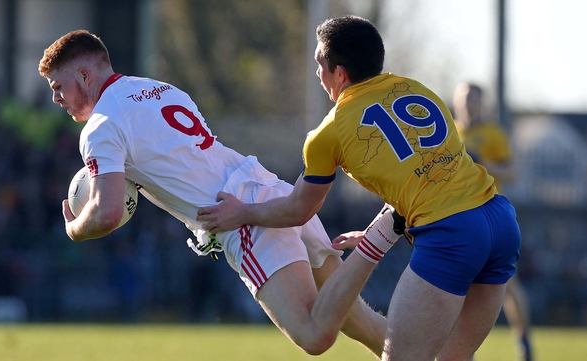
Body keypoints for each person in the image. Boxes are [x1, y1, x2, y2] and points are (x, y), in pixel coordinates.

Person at [38, 30, 387, 357]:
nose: (56, 98)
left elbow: (107, 212)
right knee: (360, 322)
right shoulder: (161, 89)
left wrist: (74, 227)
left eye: (58, 86)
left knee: (314, 335)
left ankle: (378, 238)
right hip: (273, 189)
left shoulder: (100, 126)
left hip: (240, 216)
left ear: (84, 77)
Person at [197, 15, 522, 361]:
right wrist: (376, 229)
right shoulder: (416, 89)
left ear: (339, 73)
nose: (318, 75)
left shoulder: (330, 132)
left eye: (320, 65)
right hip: (501, 222)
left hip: (454, 234)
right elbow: (428, 176)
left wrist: (241, 212)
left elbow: (297, 210)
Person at [453, 82, 533, 361]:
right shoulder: (450, 132)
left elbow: (512, 172)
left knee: (507, 285)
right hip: (458, 218)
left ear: (481, 103)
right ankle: (464, 351)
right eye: (463, 99)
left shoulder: (492, 134)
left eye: (473, 99)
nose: (467, 104)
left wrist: (483, 162)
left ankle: (523, 340)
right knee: (457, 286)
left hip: (491, 216)